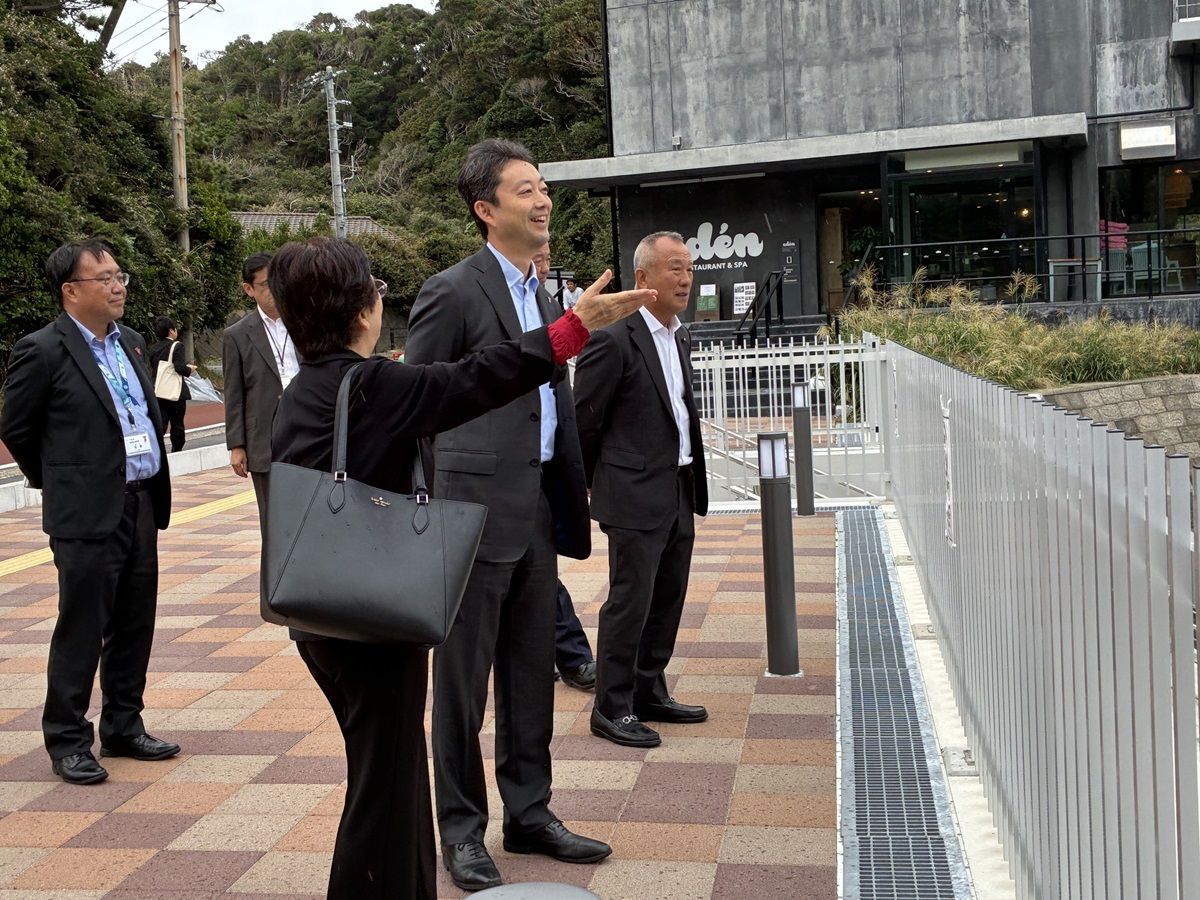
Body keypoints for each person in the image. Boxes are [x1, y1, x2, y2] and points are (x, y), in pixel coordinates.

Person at [269, 235, 645, 900]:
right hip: (372, 619)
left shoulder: (304, 392)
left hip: (318, 616)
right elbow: (475, 379)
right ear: (362, 312)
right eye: (375, 292)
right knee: (384, 790)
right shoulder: (374, 387)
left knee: (387, 777)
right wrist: (571, 330)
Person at [406, 138, 653, 892]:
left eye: (544, 186)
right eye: (525, 191)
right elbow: (418, 402)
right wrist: (428, 510)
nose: (543, 200)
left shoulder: (544, 293)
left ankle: (531, 813)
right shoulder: (452, 291)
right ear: (486, 209)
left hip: (536, 509)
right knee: (461, 684)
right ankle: (460, 829)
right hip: (469, 517)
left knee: (527, 677)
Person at [0, 239, 180, 785]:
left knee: (134, 621)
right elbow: (17, 429)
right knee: (82, 626)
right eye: (103, 277)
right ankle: (68, 738)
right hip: (85, 512)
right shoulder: (43, 349)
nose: (117, 284)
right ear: (71, 291)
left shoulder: (130, 341)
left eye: (119, 274)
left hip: (139, 501)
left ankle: (123, 725)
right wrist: (61, 481)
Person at [573, 230, 710, 748]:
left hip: (677, 484)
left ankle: (650, 690)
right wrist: (585, 485)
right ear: (644, 277)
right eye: (674, 267)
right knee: (629, 601)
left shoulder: (680, 335)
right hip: (631, 492)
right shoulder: (612, 338)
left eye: (690, 269)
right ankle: (612, 706)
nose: (686, 278)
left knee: (667, 597)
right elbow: (584, 419)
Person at [533, 241, 597, 692]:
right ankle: (572, 656)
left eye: (546, 254)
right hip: (505, 471)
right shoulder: (476, 299)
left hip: (549, 462)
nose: (543, 261)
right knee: (537, 569)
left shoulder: (548, 303)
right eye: (535, 253)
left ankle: (559, 654)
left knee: (537, 569)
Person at [223, 252, 298, 528]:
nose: (275, 290)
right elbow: (234, 393)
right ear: (248, 289)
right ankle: (274, 572)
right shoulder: (238, 335)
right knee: (273, 522)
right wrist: (237, 445)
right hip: (264, 437)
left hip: (307, 429)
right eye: (266, 284)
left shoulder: (303, 322)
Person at [146, 315, 196, 452]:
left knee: (161, 422)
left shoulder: (152, 348)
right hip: (175, 392)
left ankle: (155, 449)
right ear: (171, 330)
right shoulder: (177, 346)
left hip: (158, 389)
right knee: (177, 423)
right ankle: (176, 450)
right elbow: (179, 367)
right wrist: (190, 369)